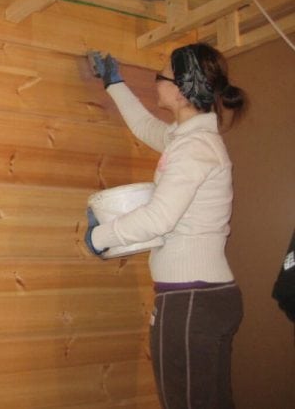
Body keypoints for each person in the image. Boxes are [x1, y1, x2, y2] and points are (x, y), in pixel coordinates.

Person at [85, 43, 247, 409]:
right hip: (202, 297)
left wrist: (99, 236)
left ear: (180, 89)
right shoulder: (188, 140)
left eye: (162, 76)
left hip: (191, 300)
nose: (157, 82)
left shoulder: (195, 149)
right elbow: (147, 128)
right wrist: (114, 84)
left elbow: (159, 218)